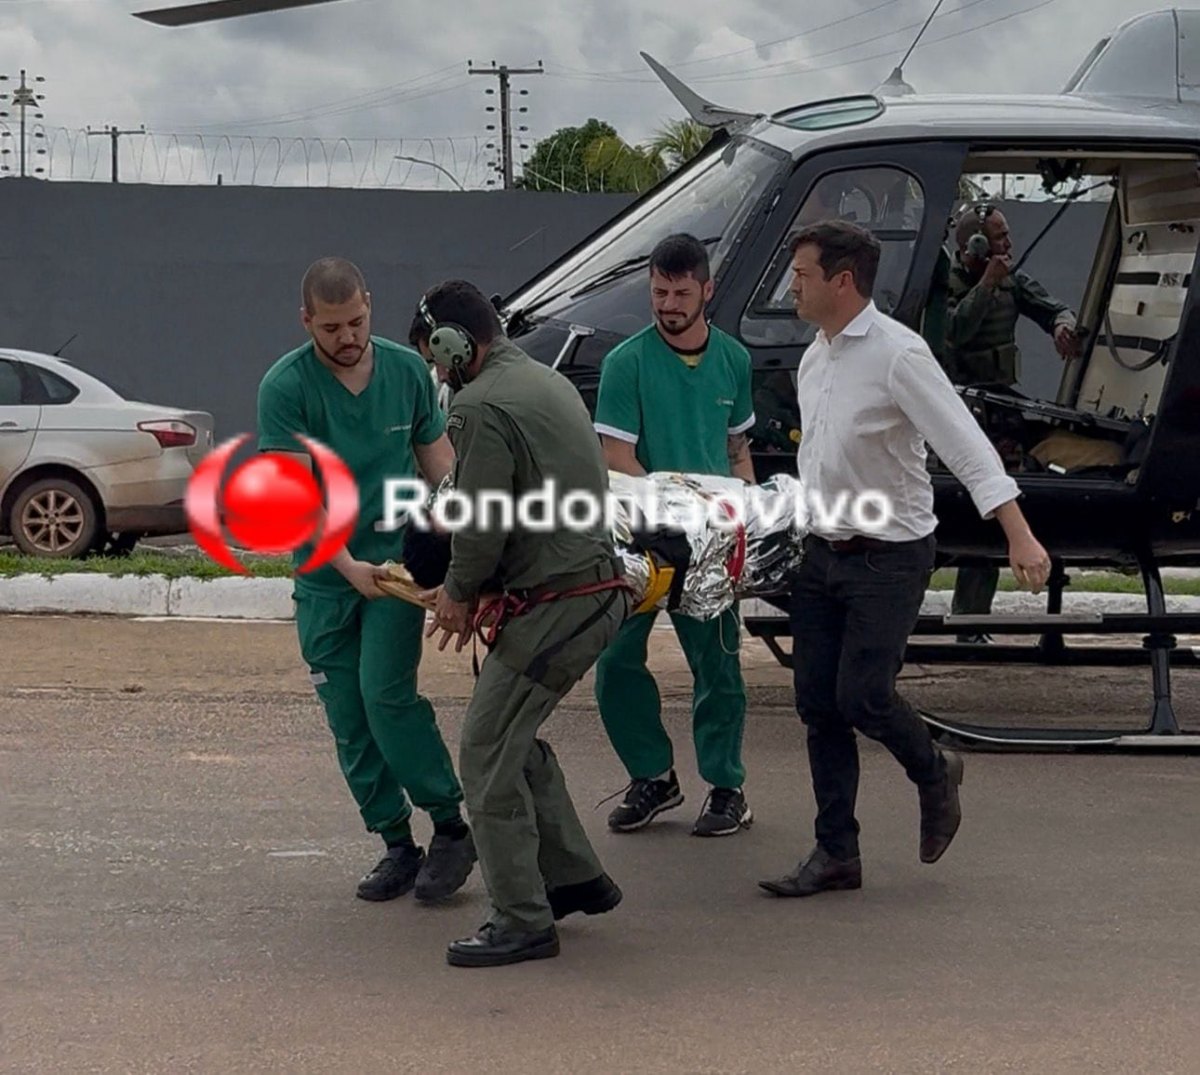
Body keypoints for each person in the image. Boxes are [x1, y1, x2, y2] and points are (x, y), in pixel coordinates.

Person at [758, 221, 1052, 898]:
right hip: (822, 552)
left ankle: (934, 769)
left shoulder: (898, 354)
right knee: (817, 705)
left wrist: (1019, 531)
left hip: (889, 555)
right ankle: (836, 853)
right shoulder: (816, 355)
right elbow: (819, 460)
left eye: (801, 275)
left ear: (842, 280)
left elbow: (965, 442)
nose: (791, 286)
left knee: (861, 695)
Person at [409, 279, 631, 969]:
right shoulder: (541, 377)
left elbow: (480, 523)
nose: (436, 373)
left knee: (483, 752)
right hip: (585, 590)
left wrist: (456, 592)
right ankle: (573, 878)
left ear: (452, 344)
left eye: (434, 358)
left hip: (563, 597)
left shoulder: (480, 405)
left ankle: (522, 918)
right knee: (512, 737)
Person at [256, 256, 476, 906]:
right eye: (331, 328)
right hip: (329, 575)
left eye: (356, 320)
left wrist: (461, 542)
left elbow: (440, 462)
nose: (348, 337)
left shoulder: (407, 370)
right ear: (306, 322)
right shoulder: (285, 388)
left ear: (370, 306)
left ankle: (449, 825)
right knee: (348, 717)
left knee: (387, 698)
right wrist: (349, 566)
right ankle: (395, 843)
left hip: (397, 569)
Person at [591, 232, 756, 838]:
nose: (668, 304)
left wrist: (744, 524)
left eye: (681, 293)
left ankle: (726, 786)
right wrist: (680, 512)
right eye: (659, 291)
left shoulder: (734, 361)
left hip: (712, 546)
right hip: (639, 539)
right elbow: (617, 459)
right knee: (614, 660)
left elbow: (738, 453)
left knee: (719, 667)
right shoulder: (625, 363)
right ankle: (652, 776)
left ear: (707, 290)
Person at [941, 202, 1079, 637]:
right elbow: (955, 331)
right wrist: (986, 283)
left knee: (998, 507)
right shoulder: (947, 283)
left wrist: (1062, 325)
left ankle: (972, 619)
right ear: (976, 244)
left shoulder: (1011, 281)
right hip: (957, 409)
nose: (1009, 243)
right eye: (1000, 236)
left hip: (1000, 409)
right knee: (949, 513)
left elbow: (1053, 306)